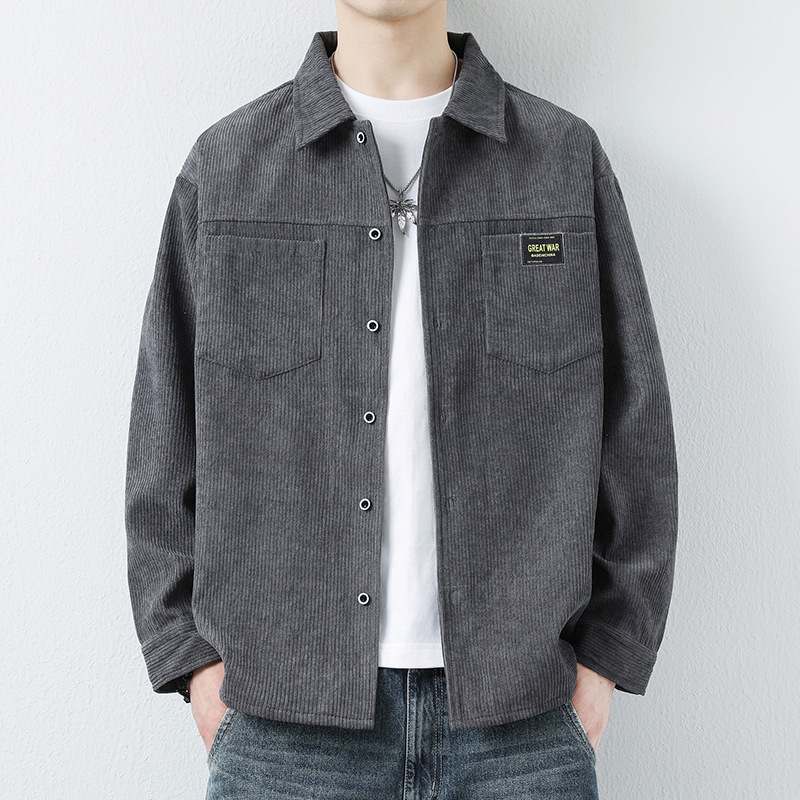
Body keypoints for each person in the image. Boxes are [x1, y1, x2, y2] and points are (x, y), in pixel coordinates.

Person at [124, 1, 679, 797]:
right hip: (284, 729)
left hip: (522, 722)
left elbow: (637, 431)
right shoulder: (230, 168)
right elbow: (162, 438)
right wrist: (191, 662)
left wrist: (607, 659)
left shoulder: (561, 162)